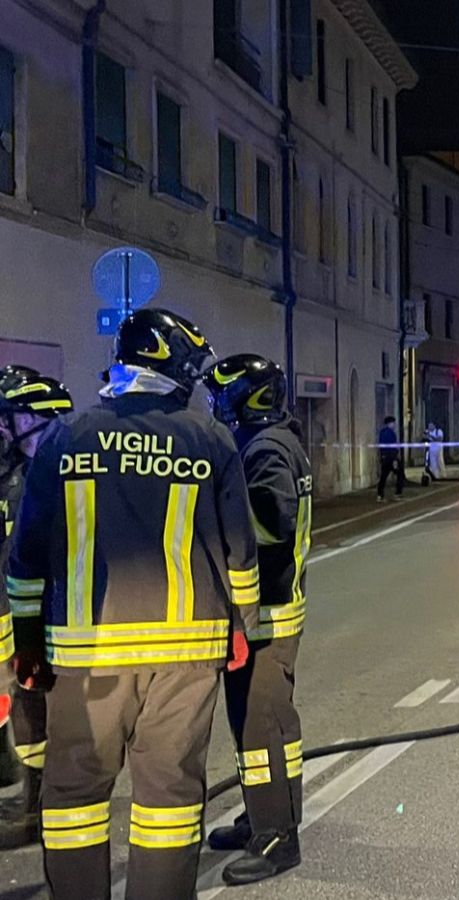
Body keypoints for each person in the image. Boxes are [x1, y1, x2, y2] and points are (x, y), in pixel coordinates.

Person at [5, 307, 259, 900]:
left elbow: (26, 556)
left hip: (84, 656)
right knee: (168, 799)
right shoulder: (210, 439)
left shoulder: (68, 435)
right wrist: (241, 627)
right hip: (186, 656)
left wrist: (26, 647)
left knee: (73, 799)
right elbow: (240, 553)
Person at [202, 354, 312, 885]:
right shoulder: (273, 440)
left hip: (265, 618)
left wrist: (216, 511)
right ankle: (260, 816)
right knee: (251, 726)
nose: (215, 404)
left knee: (264, 727)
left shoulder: (264, 449)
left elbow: (273, 524)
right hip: (261, 614)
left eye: (223, 394)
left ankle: (277, 838)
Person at [0, 366, 72, 849]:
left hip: (54, 621)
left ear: (34, 418)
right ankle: (33, 803)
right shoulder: (16, 473)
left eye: (9, 416)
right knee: (26, 717)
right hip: (17, 618)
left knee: (51, 717)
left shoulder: (62, 472)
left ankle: (51, 808)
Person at [376, 415, 404, 501]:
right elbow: (392, 447)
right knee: (400, 474)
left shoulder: (382, 432)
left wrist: (381, 457)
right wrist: (395, 458)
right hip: (391, 457)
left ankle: (380, 495)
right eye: (393, 423)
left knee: (383, 477)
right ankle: (397, 493)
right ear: (390, 423)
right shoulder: (391, 433)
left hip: (385, 457)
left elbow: (381, 446)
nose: (394, 425)